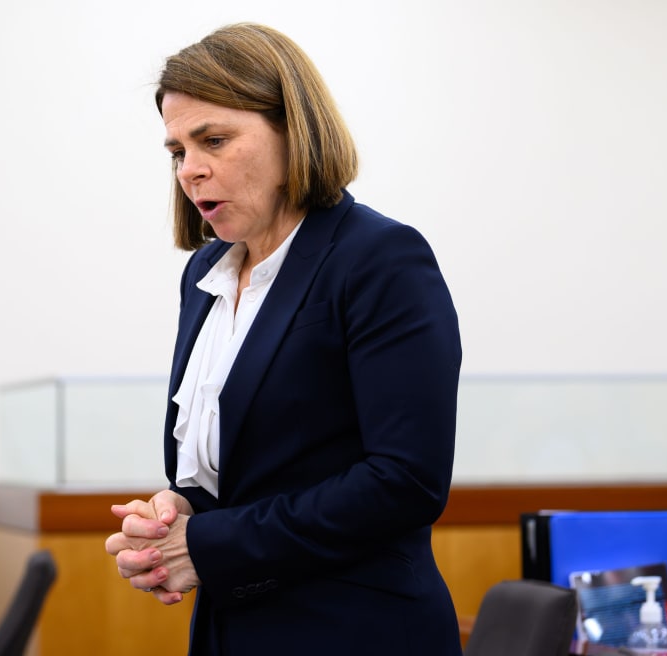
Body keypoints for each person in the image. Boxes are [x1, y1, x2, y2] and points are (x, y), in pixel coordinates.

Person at [104, 23, 463, 655]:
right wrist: (175, 516)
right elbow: (249, 474)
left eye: (213, 140)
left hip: (354, 630)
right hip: (233, 627)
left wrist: (207, 546)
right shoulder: (205, 276)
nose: (192, 170)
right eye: (177, 151)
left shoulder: (379, 258)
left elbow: (406, 482)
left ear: (293, 129)